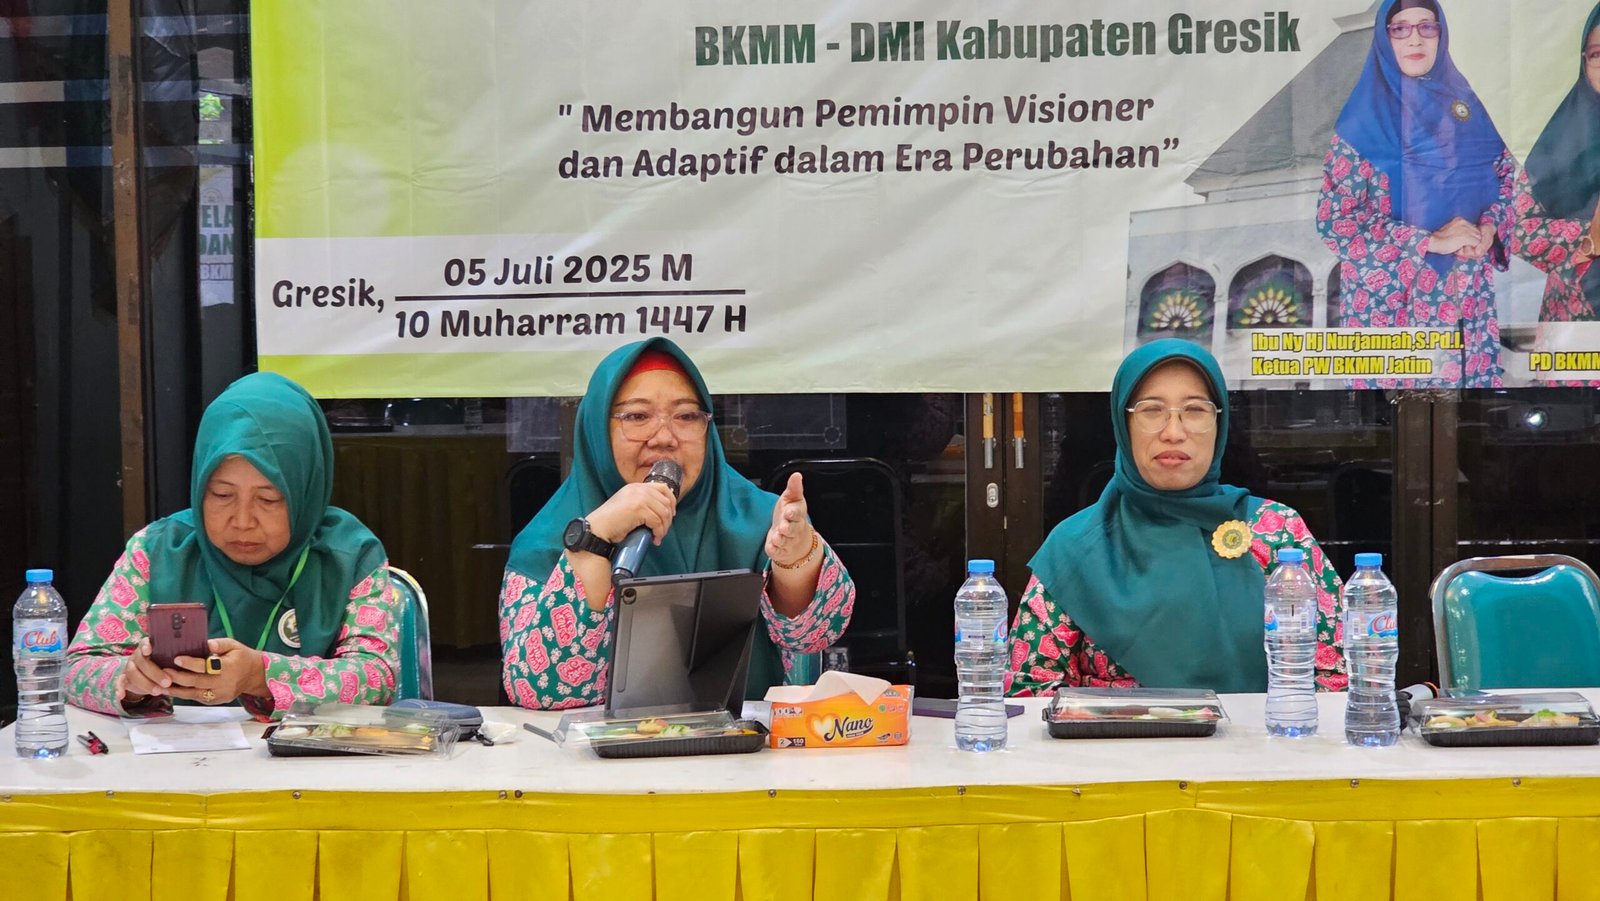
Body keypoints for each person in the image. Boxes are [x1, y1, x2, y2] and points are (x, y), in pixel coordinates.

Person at [500, 338, 854, 709]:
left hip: (745, 743)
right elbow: (541, 690)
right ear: (597, 431)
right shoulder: (545, 542)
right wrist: (594, 541)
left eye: (686, 417)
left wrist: (796, 559)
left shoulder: (764, 518)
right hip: (602, 746)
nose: (665, 438)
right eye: (637, 417)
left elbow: (814, 636)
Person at [1006, 339, 1347, 695]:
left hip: (1260, 731)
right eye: (1152, 410)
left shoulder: (1276, 533)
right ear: (1124, 425)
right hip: (1113, 732)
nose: (1173, 432)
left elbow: (1336, 676)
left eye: (1195, 410)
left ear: (1219, 424)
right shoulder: (1075, 546)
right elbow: (1029, 690)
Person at [64, 372, 400, 720]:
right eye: (222, 495)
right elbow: (77, 670)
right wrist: (131, 682)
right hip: (178, 753)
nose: (242, 521)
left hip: (304, 752)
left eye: (268, 499)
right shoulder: (160, 551)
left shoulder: (348, 556)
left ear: (305, 493)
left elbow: (377, 676)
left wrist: (261, 676)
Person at [1317, 0, 1514, 388]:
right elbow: (1336, 223)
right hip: (1390, 310)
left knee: (1468, 417)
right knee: (1390, 421)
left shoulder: (1469, 109)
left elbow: (1506, 181)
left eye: (1427, 26)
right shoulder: (1362, 123)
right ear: (1384, 38)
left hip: (1466, 301)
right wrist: (1431, 241)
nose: (1415, 39)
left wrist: (1489, 228)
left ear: (1441, 34)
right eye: (1400, 29)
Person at [1511, 4, 1600, 326]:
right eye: (1598, 54)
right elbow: (1516, 230)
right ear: (1583, 63)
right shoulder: (1561, 138)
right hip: (1577, 318)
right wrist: (1589, 234)